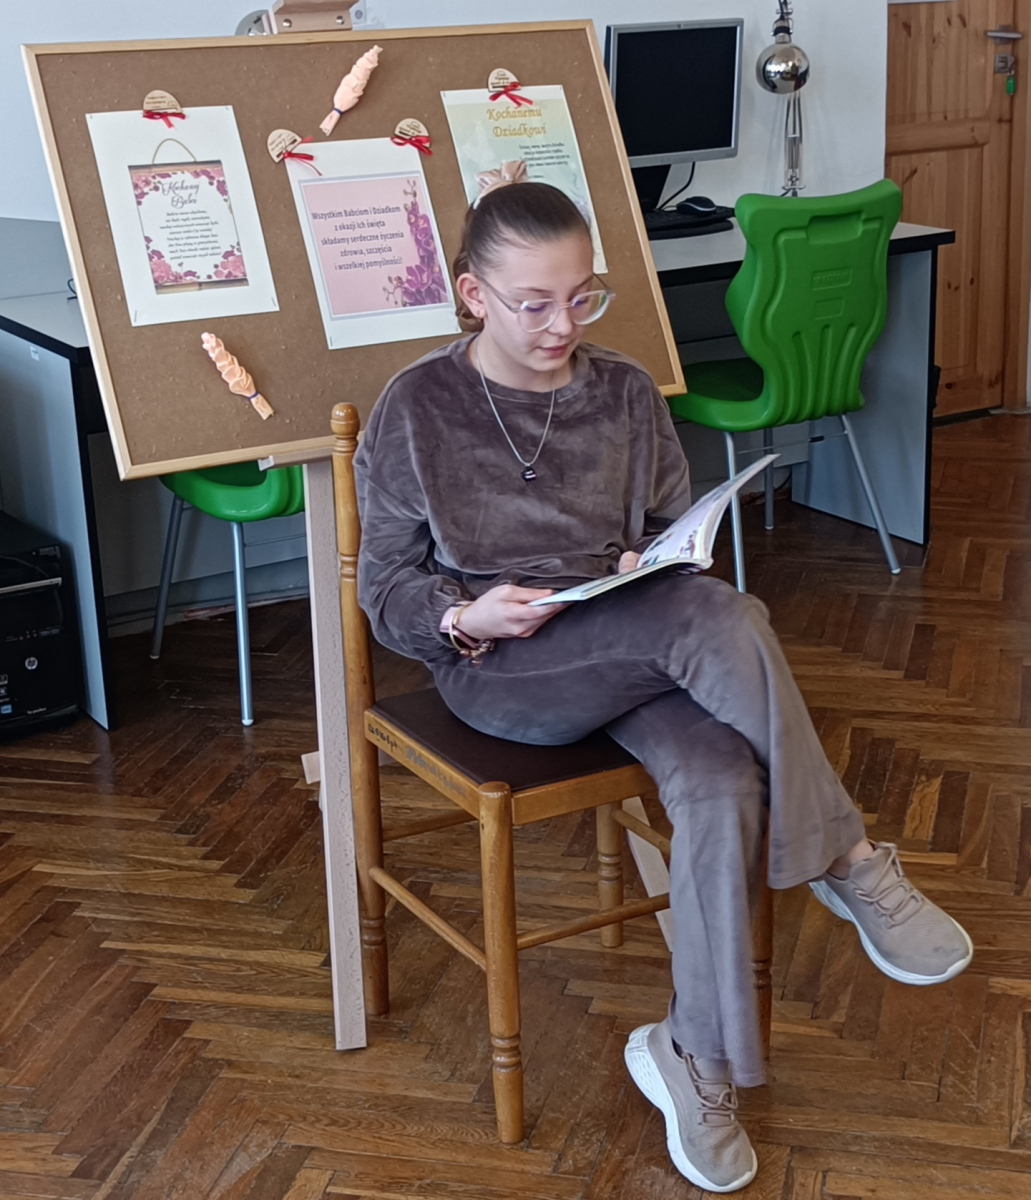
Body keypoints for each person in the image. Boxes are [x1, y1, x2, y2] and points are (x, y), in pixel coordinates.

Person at [353, 180, 973, 1193]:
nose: (562, 325)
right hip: (504, 669)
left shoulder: (626, 391)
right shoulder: (416, 406)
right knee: (718, 618)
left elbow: (664, 536)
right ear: (471, 294)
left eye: (581, 297)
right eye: (533, 303)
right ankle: (846, 856)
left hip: (632, 640)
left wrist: (649, 558)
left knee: (722, 777)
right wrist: (465, 616)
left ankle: (693, 1058)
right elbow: (382, 589)